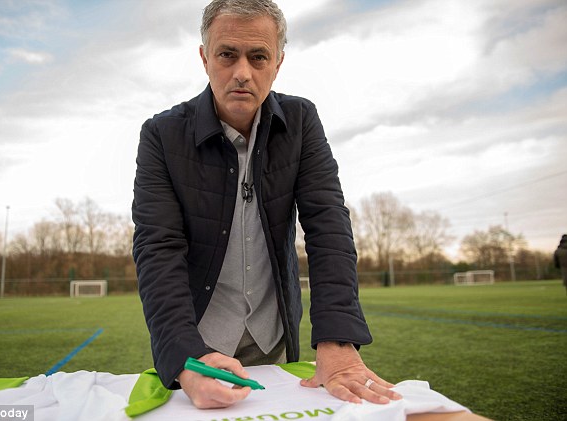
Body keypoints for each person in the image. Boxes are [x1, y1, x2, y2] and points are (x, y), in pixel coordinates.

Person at [132, 0, 401, 409]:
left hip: (273, 337)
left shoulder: (301, 121)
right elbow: (158, 247)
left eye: (258, 57)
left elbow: (328, 225)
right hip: (199, 340)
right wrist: (186, 355)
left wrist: (337, 341)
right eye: (227, 54)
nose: (242, 72)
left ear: (278, 64)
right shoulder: (161, 135)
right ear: (205, 58)